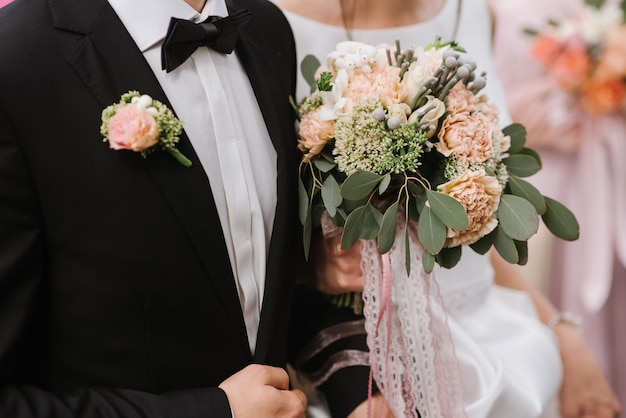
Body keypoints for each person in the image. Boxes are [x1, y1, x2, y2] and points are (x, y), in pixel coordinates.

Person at [275, 0, 621, 416]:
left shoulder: (472, 11)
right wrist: (305, 267)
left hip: (502, 345)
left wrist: (565, 337)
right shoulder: (271, 25)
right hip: (364, 364)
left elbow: (473, 241)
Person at [0, 0, 307, 417]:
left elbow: (281, 287)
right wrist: (212, 412)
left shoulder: (265, 27)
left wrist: (356, 391)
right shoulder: (14, 58)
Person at [489, 0, 626, 411]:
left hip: (614, 175)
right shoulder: (480, 8)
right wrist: (564, 105)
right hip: (545, 188)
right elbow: (490, 112)